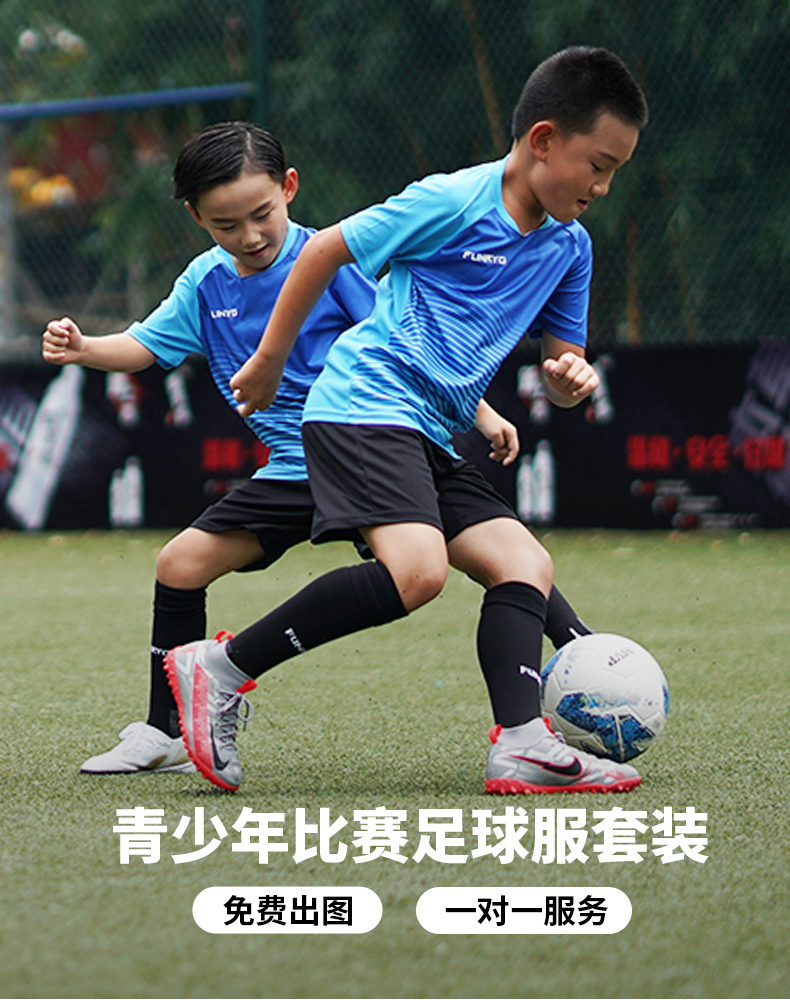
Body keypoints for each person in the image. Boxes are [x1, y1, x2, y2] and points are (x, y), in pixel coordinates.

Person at [165, 47, 648, 794]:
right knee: (418, 573)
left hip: (424, 427)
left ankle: (523, 743)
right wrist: (269, 359)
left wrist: (569, 381)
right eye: (598, 165)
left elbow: (563, 365)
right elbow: (326, 249)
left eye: (614, 171)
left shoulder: (570, 248)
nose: (603, 187)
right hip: (363, 403)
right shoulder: (453, 201)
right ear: (544, 140)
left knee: (524, 564)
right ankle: (221, 669)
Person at [42, 120, 592, 776]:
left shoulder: (327, 262)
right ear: (196, 218)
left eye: (261, 215)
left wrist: (481, 411)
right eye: (226, 225)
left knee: (502, 559)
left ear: (289, 189)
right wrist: (85, 347)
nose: (250, 236)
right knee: (180, 565)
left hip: (372, 437)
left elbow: (406, 340)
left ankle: (587, 670)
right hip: (302, 466)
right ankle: (169, 734)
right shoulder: (204, 285)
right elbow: (144, 344)